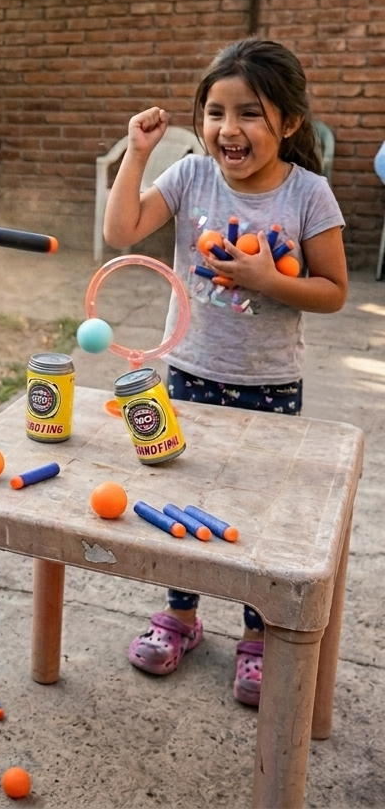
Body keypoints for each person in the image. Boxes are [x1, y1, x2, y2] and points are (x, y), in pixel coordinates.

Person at [102, 36, 348, 706]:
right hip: (189, 371)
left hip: (269, 384)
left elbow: (333, 291)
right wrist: (139, 152)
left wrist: (272, 280)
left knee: (254, 514)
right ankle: (180, 619)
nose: (227, 129)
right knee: (190, 505)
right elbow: (121, 231)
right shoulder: (190, 176)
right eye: (215, 112)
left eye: (248, 114)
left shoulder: (309, 195)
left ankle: (257, 635)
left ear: (288, 122)